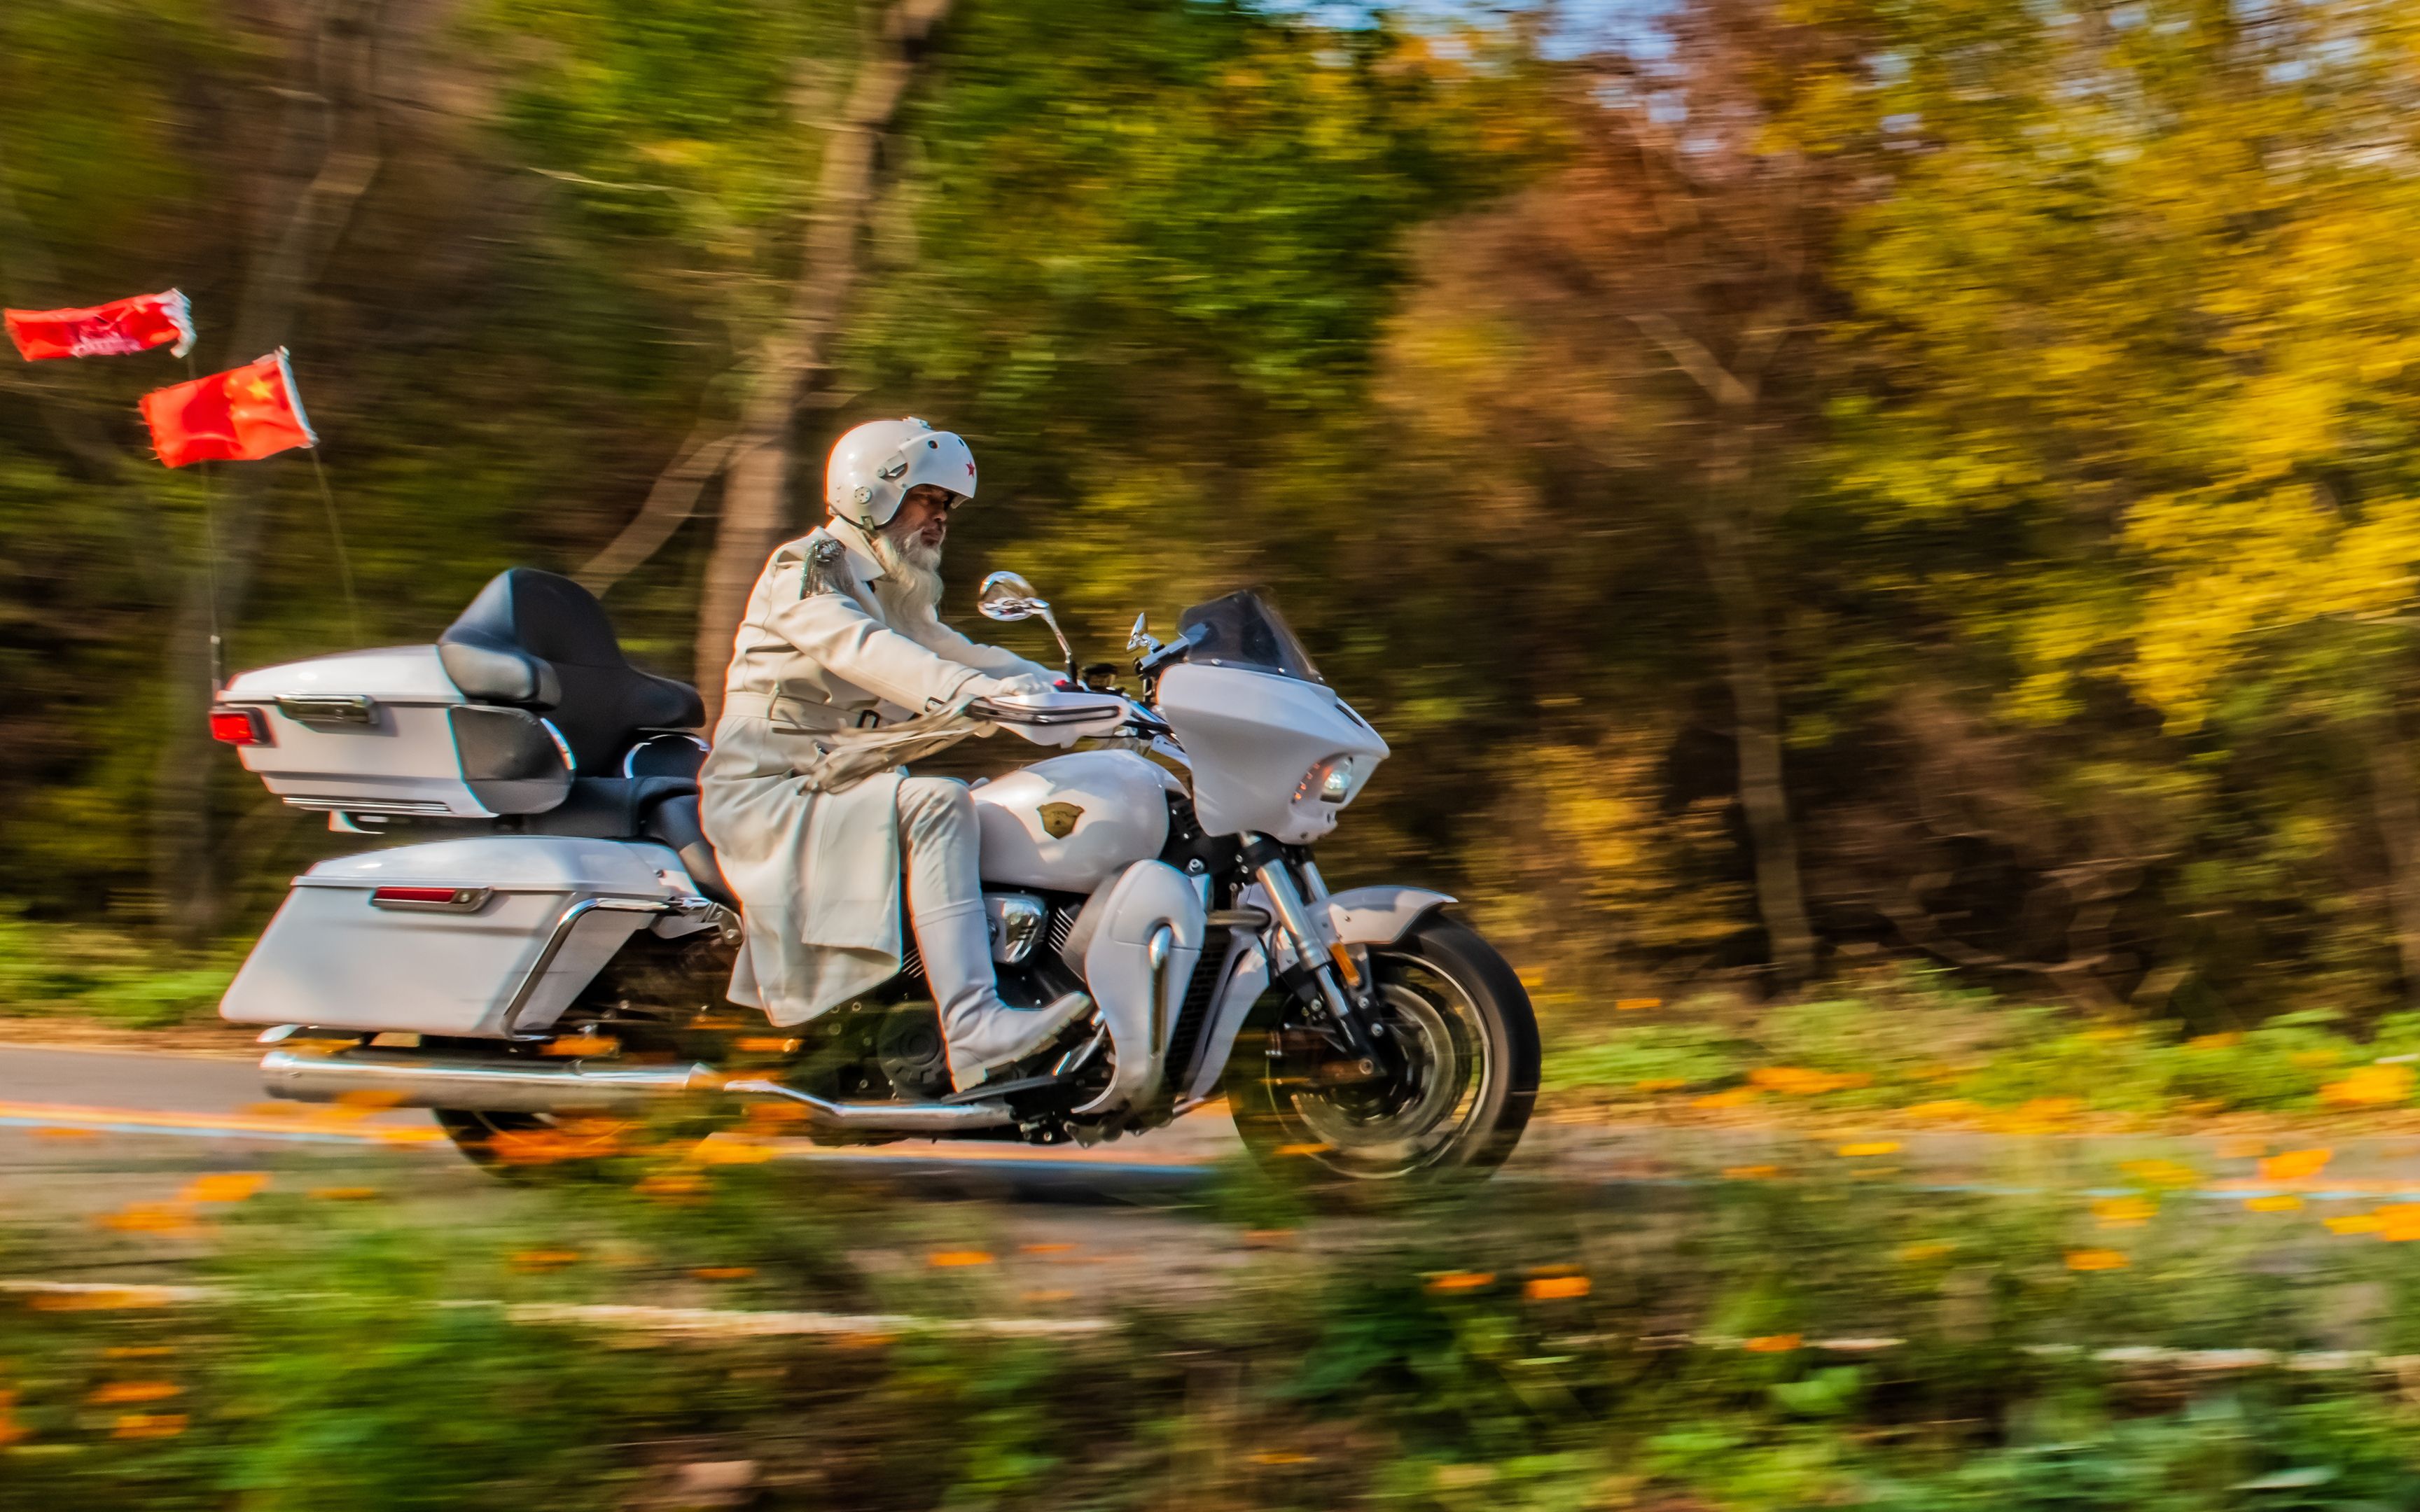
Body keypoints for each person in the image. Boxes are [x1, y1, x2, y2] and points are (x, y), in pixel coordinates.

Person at [700, 418, 1091, 1091]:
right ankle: (972, 1026)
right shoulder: (810, 566)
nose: (939, 519)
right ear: (869, 492)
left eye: (945, 508)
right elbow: (867, 652)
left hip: (834, 780)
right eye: (926, 499)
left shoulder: (895, 586)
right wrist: (977, 694)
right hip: (769, 785)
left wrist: (1066, 691)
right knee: (939, 803)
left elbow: (948, 649)